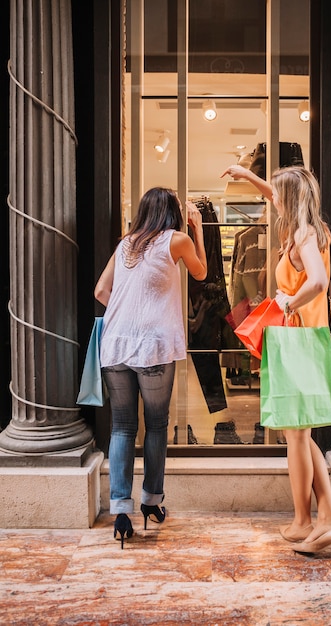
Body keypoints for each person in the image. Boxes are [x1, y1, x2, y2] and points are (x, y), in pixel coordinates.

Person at [221, 164, 331, 556]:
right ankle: (308, 520)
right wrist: (247, 174)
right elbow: (271, 194)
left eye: (279, 195)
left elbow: (318, 282)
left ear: (291, 200)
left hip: (298, 340)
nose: (272, 201)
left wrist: (288, 303)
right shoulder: (311, 228)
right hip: (301, 340)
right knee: (299, 433)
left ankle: (324, 519)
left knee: (297, 434)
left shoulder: (303, 234)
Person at [94, 187, 207, 548]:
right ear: (171, 211)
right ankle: (151, 502)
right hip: (154, 345)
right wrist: (198, 228)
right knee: (156, 426)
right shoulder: (177, 240)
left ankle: (121, 512)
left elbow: (100, 291)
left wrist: (127, 315)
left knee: (122, 427)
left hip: (115, 344)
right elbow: (201, 273)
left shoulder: (124, 243)